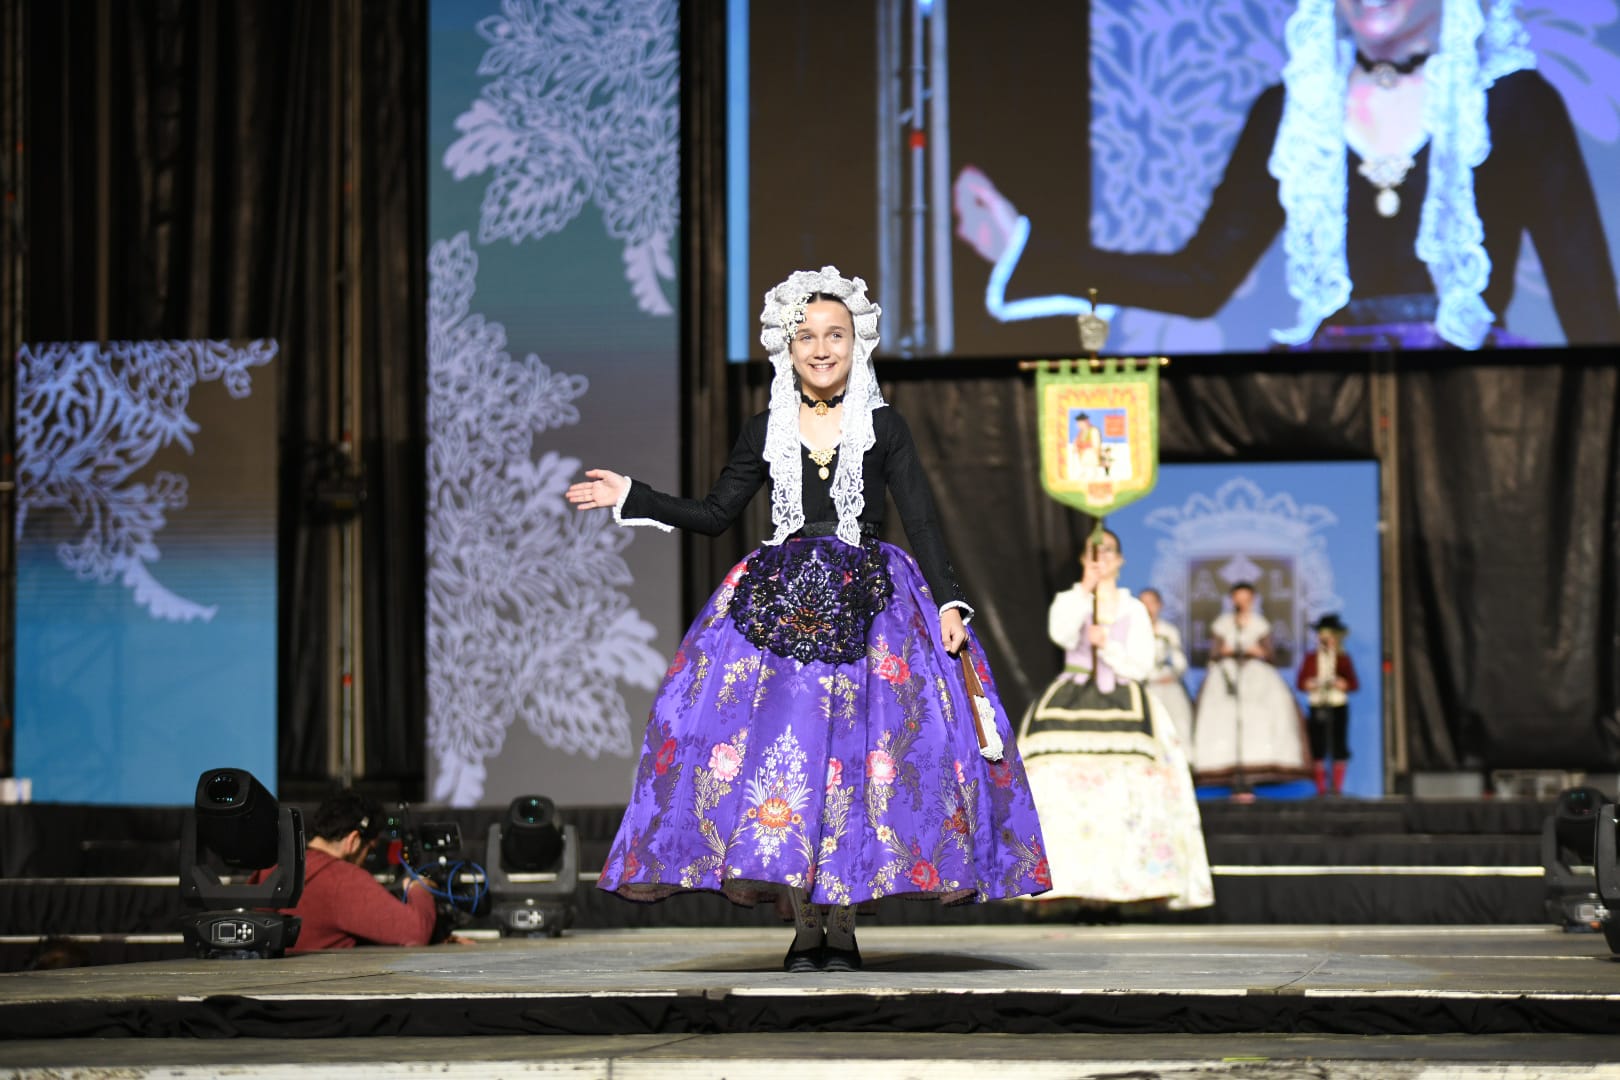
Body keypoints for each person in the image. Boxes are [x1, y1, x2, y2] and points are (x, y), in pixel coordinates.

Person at [570, 266, 1050, 973]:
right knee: (783, 767)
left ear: (857, 344)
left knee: (855, 766)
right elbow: (714, 514)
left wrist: (949, 602)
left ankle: (844, 926)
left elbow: (921, 516)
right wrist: (634, 494)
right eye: (807, 337)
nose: (822, 348)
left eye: (835, 336)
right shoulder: (764, 427)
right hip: (777, 611)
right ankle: (804, 928)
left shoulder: (883, 426)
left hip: (873, 608)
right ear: (785, 348)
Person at [954, 0, 1620, 351]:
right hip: (1334, 402)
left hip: (1472, 393)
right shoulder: (1292, 111)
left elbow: (1588, 301)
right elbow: (1200, 279)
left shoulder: (1516, 103)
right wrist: (1026, 250)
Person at [1018, 531, 1212, 911]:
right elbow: (1060, 632)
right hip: (1070, 697)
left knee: (1130, 793)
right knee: (1054, 786)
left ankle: (1121, 889)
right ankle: (1069, 886)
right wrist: (1085, 590)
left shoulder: (1133, 608)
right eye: (1093, 551)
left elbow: (1141, 664)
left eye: (1107, 550)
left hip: (1123, 697)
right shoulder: (1071, 600)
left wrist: (1107, 643)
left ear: (1120, 559)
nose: (1101, 556)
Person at [251, 790, 437, 953]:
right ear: (354, 840)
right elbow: (416, 931)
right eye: (369, 850)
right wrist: (419, 888)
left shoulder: (271, 867)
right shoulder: (343, 880)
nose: (366, 860)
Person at [1192, 582, 1313, 792]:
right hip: (1228, 674)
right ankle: (1229, 771)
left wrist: (1258, 652)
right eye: (1238, 598)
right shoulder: (1223, 623)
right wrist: (1225, 651)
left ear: (1253, 599)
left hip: (1256, 675)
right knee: (1224, 716)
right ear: (1232, 600)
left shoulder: (1259, 623)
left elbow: (1270, 654)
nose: (1242, 602)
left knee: (1260, 715)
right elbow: (1214, 652)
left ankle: (1255, 771)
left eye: (1246, 598)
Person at [1297, 613, 1361, 795]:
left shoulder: (1342, 658)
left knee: (1339, 746)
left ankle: (1337, 789)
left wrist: (1343, 684)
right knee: (1318, 747)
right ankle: (1321, 789)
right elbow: (1301, 682)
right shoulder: (1311, 658)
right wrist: (1311, 683)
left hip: (1337, 704)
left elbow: (1354, 684)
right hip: (1318, 704)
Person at [1141, 587, 1196, 763]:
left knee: (1177, 720)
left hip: (1167, 683)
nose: (1148, 607)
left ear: (1159, 605)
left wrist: (1173, 674)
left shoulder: (1169, 630)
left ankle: (1181, 762)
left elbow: (1179, 660)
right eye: (1143, 603)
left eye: (1151, 602)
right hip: (1145, 684)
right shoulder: (1134, 631)